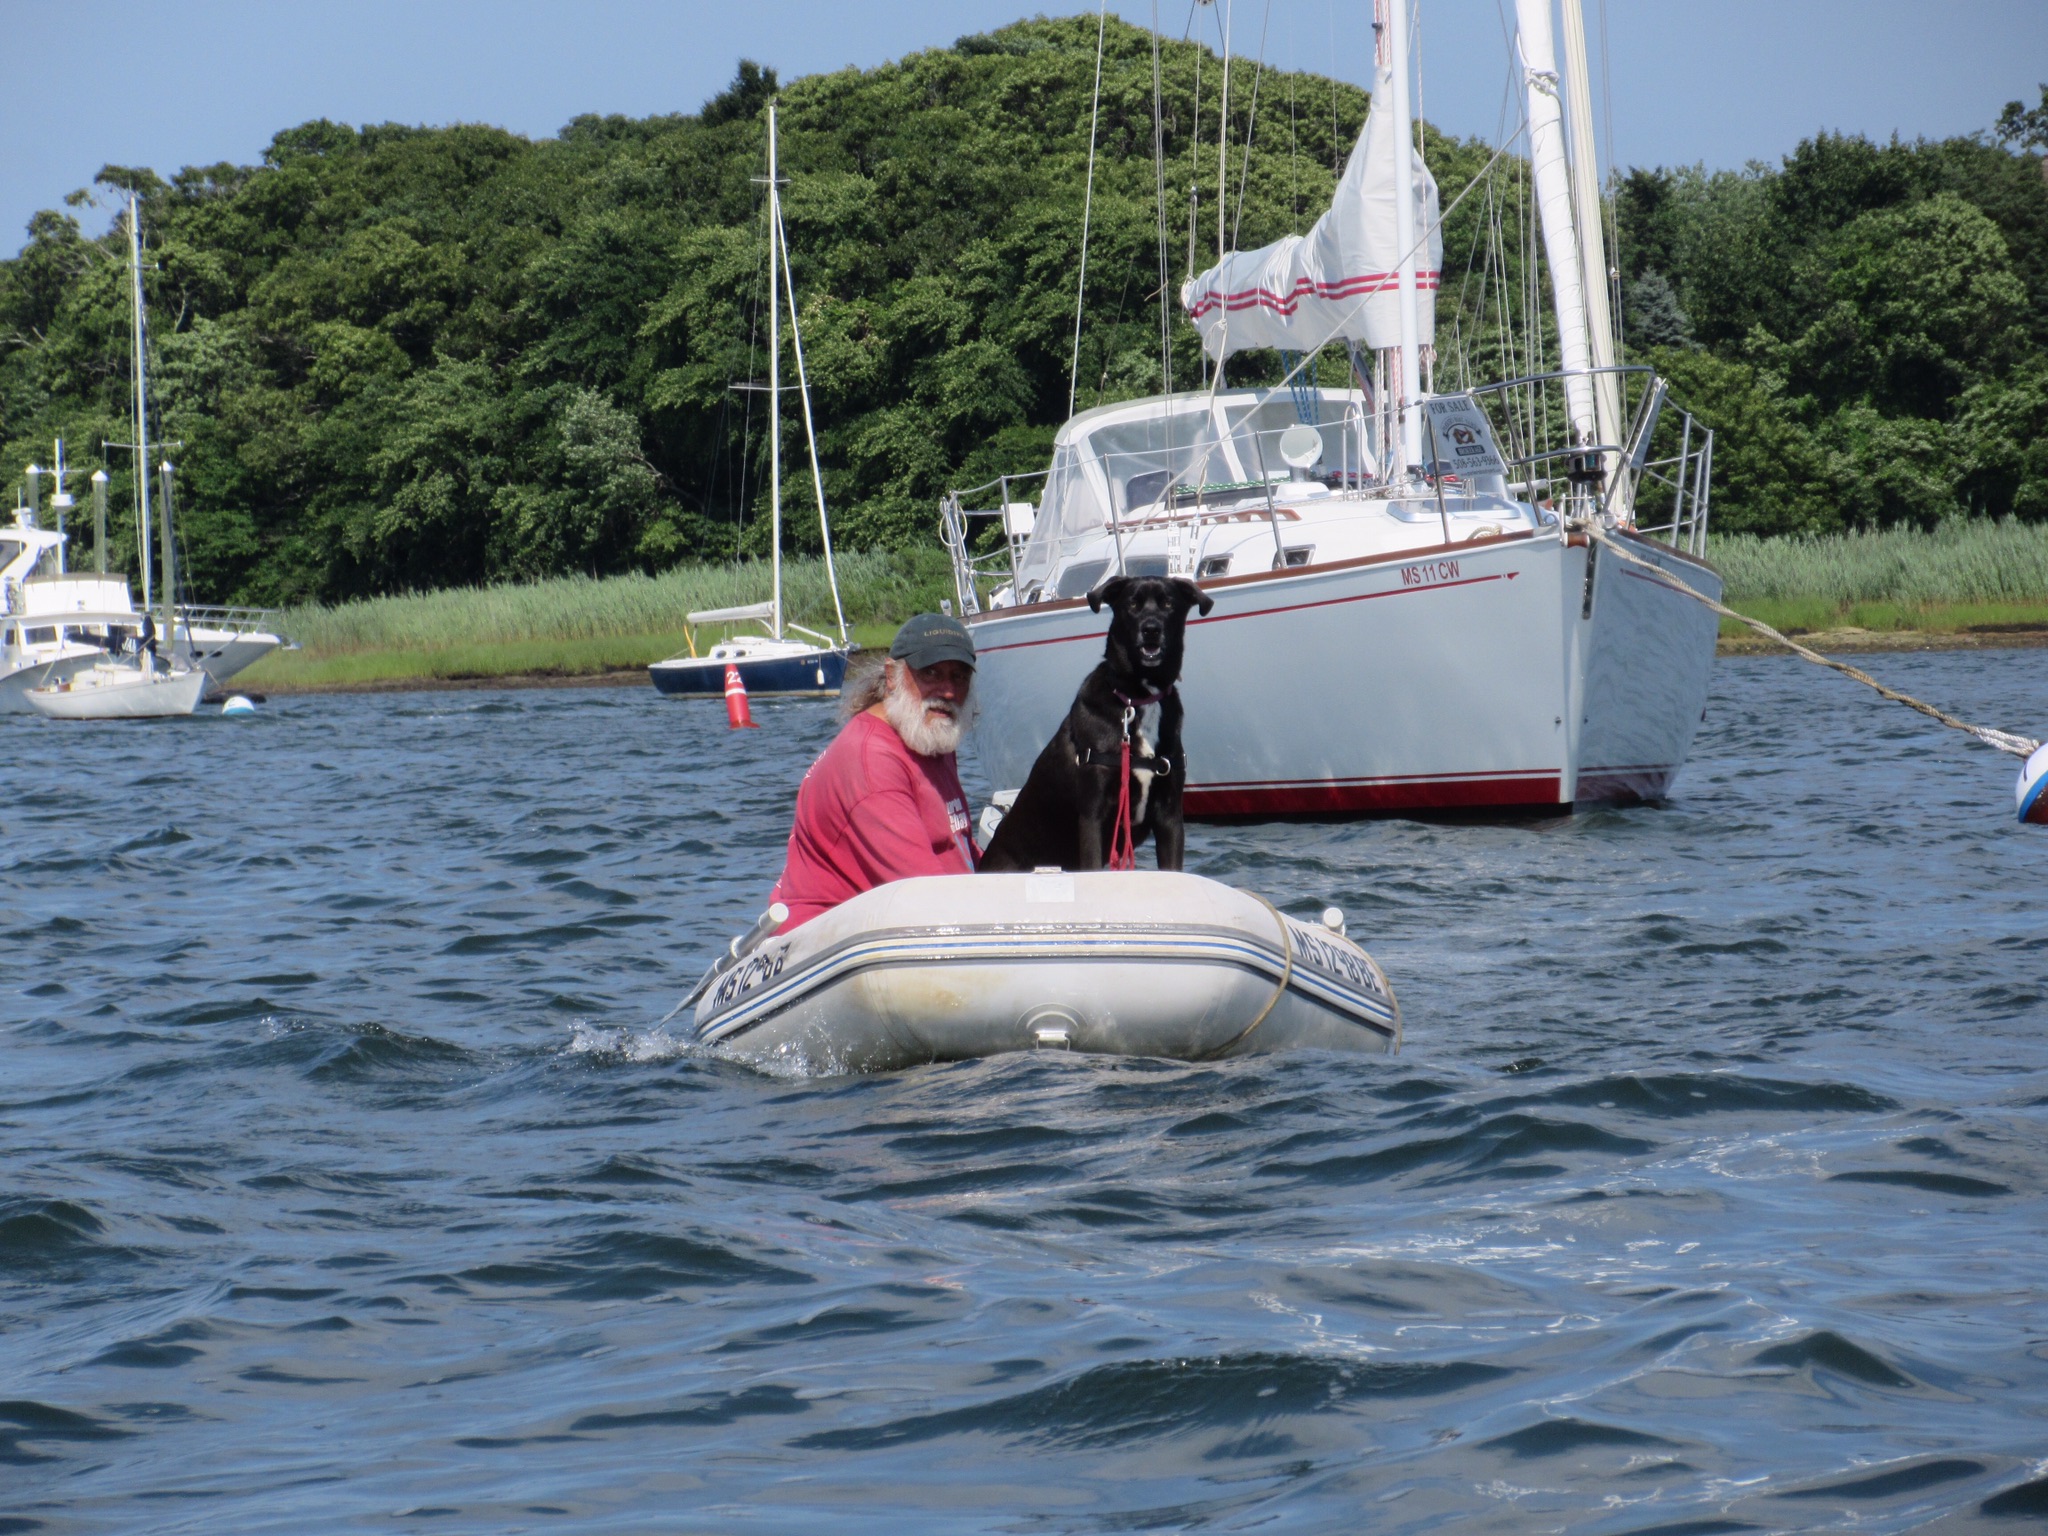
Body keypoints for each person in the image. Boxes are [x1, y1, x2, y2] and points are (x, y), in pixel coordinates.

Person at [769, 613, 981, 931]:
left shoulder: (929, 737)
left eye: (959, 676)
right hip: (825, 940)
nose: (948, 691)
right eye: (931, 673)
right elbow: (925, 896)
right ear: (892, 676)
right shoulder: (872, 762)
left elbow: (959, 849)